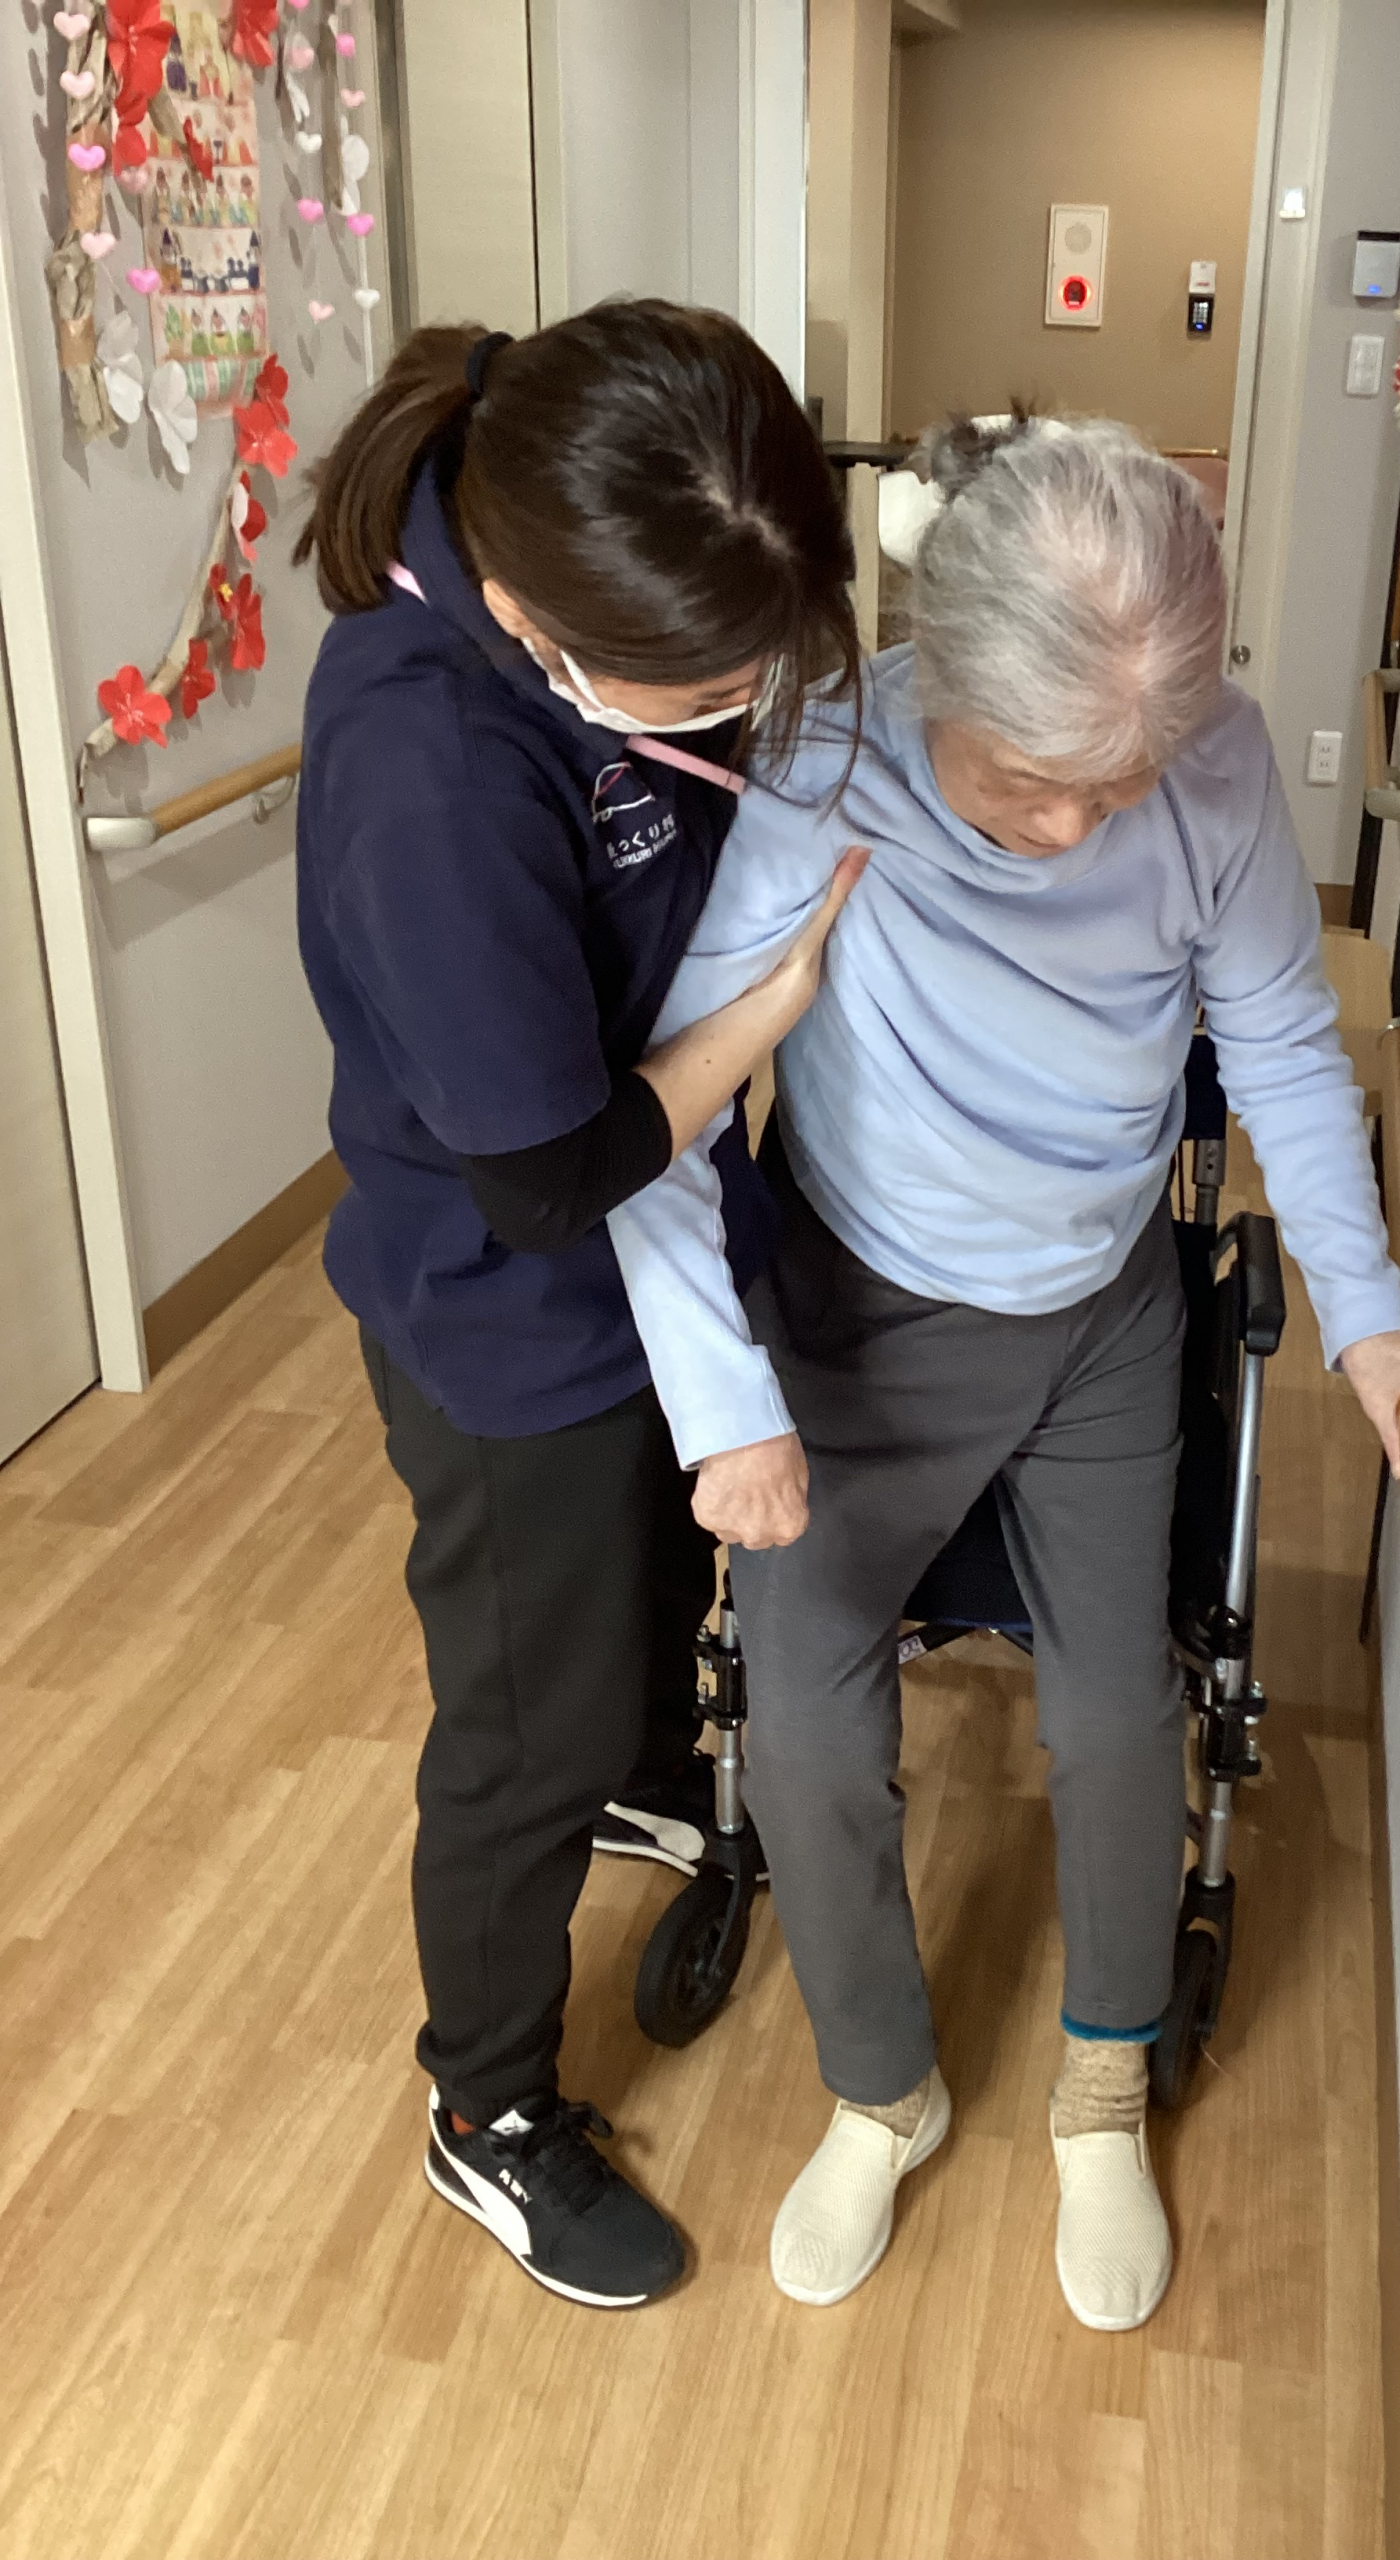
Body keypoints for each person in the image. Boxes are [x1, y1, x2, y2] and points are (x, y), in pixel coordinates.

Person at [606, 412, 1400, 2332]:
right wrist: (724, 1405)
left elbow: (1280, 1040)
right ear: (942, 675)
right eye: (1029, 781)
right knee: (805, 1725)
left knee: (1115, 1712)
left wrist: (1366, 1305)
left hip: (1099, 1313)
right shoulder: (830, 751)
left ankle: (1102, 2083)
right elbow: (672, 1103)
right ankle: (881, 2090)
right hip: (860, 1313)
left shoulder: (1219, 769)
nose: (1082, 828)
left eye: (1123, 782)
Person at [293, 303, 865, 2312]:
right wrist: (767, 1012)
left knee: (639, 1589)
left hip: (648, 1260)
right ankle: (486, 2109)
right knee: (513, 1735)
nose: (750, 708)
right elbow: (546, 1177)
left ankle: (629, 1762)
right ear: (536, 618)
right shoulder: (430, 769)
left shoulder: (604, 513)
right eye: (710, 690)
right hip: (507, 1305)